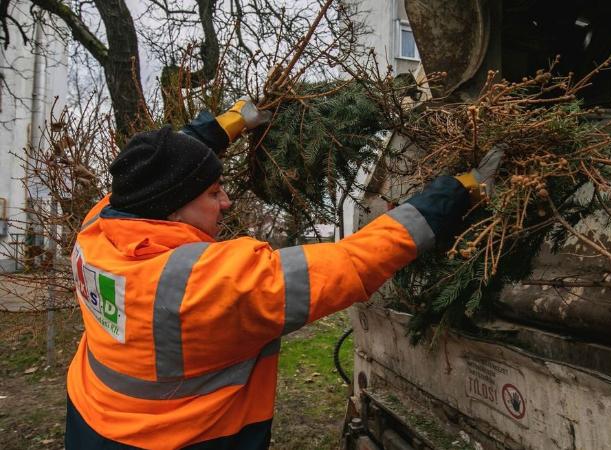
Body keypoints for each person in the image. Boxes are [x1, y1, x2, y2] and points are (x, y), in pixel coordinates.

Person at [64, 98, 501, 449]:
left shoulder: (99, 226)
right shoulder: (205, 287)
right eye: (214, 193)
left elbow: (153, 169)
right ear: (171, 209)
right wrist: (453, 194)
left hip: (88, 422)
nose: (227, 202)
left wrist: (228, 123)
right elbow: (353, 261)